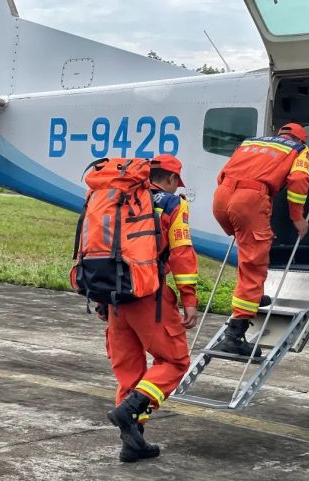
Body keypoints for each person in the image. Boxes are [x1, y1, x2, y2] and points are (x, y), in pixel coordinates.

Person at [102, 154, 199, 462]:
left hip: (115, 296)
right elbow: (182, 254)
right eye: (175, 182)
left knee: (130, 373)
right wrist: (189, 300)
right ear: (170, 179)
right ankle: (130, 410)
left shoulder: (120, 197)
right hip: (148, 296)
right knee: (175, 363)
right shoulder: (172, 204)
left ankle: (133, 443)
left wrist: (102, 298)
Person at [212, 123, 309, 356]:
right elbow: (298, 180)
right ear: (302, 139)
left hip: (221, 198)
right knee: (253, 264)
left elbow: (221, 175)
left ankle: (252, 296)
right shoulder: (298, 150)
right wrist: (297, 217)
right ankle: (234, 335)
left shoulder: (251, 143)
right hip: (249, 200)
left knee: (248, 251)